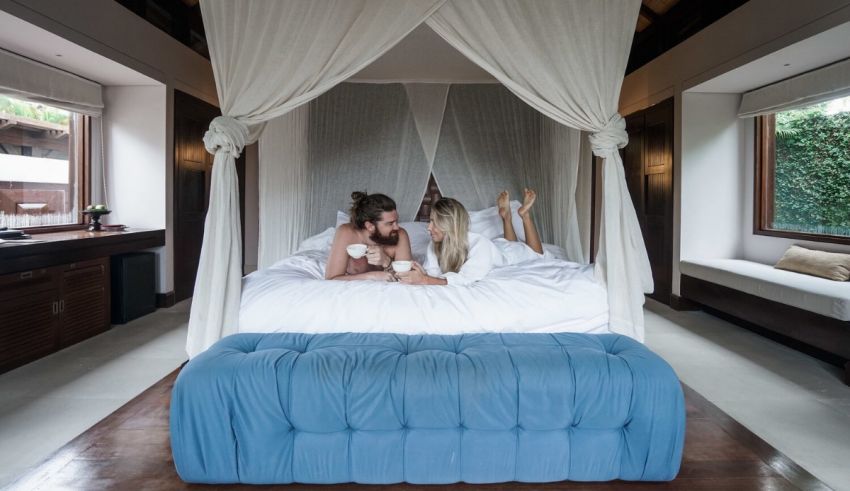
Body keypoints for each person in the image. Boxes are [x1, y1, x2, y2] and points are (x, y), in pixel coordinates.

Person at [397, 188, 543, 286]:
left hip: (509, 254)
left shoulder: (479, 244)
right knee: (508, 243)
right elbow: (434, 274)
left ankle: (524, 215)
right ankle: (506, 217)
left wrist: (425, 279)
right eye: (430, 221)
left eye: (435, 223)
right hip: (497, 248)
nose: (429, 228)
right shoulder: (433, 245)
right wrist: (422, 272)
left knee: (537, 253)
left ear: (450, 225)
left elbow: (465, 278)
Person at [325, 191, 413, 281]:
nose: (397, 227)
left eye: (396, 221)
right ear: (370, 226)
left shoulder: (400, 235)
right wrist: (371, 276)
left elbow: (407, 278)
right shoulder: (347, 233)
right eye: (390, 223)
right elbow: (331, 278)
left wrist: (387, 262)